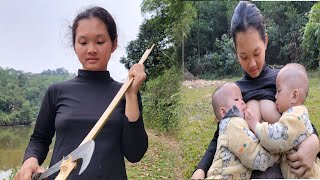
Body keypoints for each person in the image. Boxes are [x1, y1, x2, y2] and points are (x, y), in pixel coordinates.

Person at [14, 6, 148, 180]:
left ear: (114, 44)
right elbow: (39, 139)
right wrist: (30, 160)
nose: (91, 50)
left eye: (100, 42)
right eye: (83, 42)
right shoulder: (56, 92)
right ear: (75, 45)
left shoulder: (126, 93)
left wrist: (131, 95)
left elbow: (135, 153)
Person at [192, 1, 320, 179]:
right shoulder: (235, 93)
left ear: (265, 41)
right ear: (236, 51)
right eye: (243, 56)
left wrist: (314, 143)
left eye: (257, 53)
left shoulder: (282, 81)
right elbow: (221, 132)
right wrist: (200, 169)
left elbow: (300, 120)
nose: (251, 63)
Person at [245, 63, 320, 178]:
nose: (275, 96)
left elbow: (275, 138)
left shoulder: (295, 117)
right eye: (243, 56)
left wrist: (255, 125)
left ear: (294, 96)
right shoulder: (297, 114)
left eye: (278, 91)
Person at [206, 82, 278, 179]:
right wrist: (275, 157)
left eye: (242, 99)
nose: (243, 102)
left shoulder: (233, 125)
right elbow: (252, 156)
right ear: (223, 112)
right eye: (236, 99)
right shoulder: (233, 124)